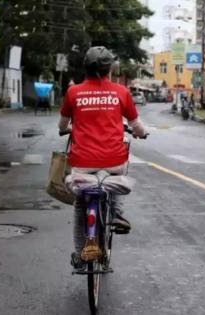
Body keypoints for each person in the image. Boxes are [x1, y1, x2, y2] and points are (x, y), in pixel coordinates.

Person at [58, 46, 147, 269]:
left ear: (86, 68)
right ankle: (116, 213)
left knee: (80, 204)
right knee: (115, 176)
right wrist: (141, 133)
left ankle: (80, 255)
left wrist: (68, 128)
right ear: (109, 69)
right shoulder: (121, 92)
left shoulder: (73, 92)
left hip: (82, 163)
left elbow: (62, 124)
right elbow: (136, 125)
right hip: (113, 160)